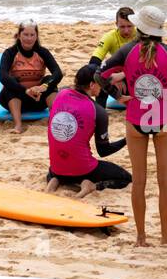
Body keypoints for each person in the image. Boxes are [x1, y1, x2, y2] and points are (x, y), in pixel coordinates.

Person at [99, 6, 167, 246]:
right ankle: (165, 238)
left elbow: (99, 75)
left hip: (136, 120)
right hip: (163, 119)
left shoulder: (126, 51)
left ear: (139, 28)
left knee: (140, 181)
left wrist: (117, 95)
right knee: (165, 181)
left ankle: (141, 237)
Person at [45, 66, 132, 198]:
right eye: (100, 83)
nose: (103, 87)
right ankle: (92, 186)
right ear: (92, 85)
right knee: (126, 178)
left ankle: (55, 180)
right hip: (82, 169)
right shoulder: (98, 111)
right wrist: (127, 140)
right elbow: (104, 151)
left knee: (62, 166)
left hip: (56, 168)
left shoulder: (60, 94)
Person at [0, 19, 63, 134]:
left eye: (32, 35)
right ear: (18, 35)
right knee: (10, 82)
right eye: (25, 34)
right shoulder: (10, 53)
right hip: (16, 99)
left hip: (38, 99)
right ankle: (18, 125)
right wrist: (26, 90)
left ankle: (54, 121)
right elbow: (3, 77)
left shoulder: (42, 52)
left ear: (36, 36)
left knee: (49, 81)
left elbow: (58, 73)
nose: (29, 38)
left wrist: (43, 87)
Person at [87, 7, 137, 107]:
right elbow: (93, 62)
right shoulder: (109, 37)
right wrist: (111, 79)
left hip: (138, 75)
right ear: (116, 24)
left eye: (129, 26)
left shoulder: (141, 36)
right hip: (119, 77)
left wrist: (123, 75)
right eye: (122, 27)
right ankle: (100, 110)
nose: (126, 31)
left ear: (135, 23)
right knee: (99, 77)